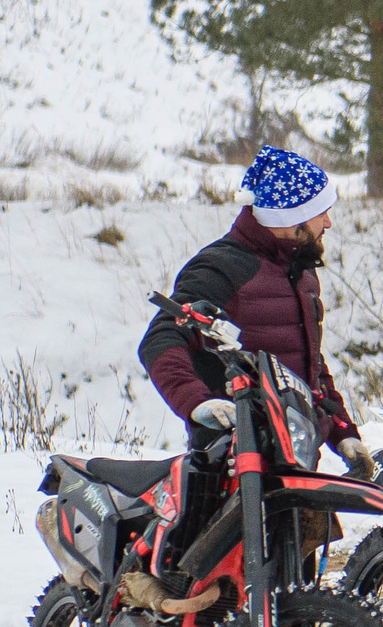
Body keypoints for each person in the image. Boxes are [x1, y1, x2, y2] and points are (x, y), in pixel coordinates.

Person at [141, 145, 371, 482]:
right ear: (289, 215)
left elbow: (308, 368)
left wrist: (343, 432)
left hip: (296, 458)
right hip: (232, 465)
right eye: (321, 211)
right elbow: (161, 339)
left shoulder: (301, 273)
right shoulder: (222, 268)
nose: (328, 222)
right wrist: (196, 404)